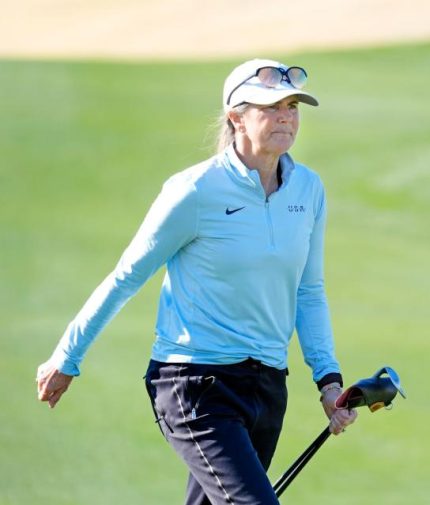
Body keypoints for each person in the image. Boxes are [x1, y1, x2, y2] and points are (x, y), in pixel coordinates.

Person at [36, 58, 357, 505]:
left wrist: (329, 382)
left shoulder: (308, 189)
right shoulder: (194, 191)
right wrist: (67, 357)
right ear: (236, 117)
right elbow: (128, 276)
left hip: (267, 386)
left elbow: (309, 290)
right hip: (194, 385)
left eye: (292, 106)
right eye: (270, 107)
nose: (286, 116)